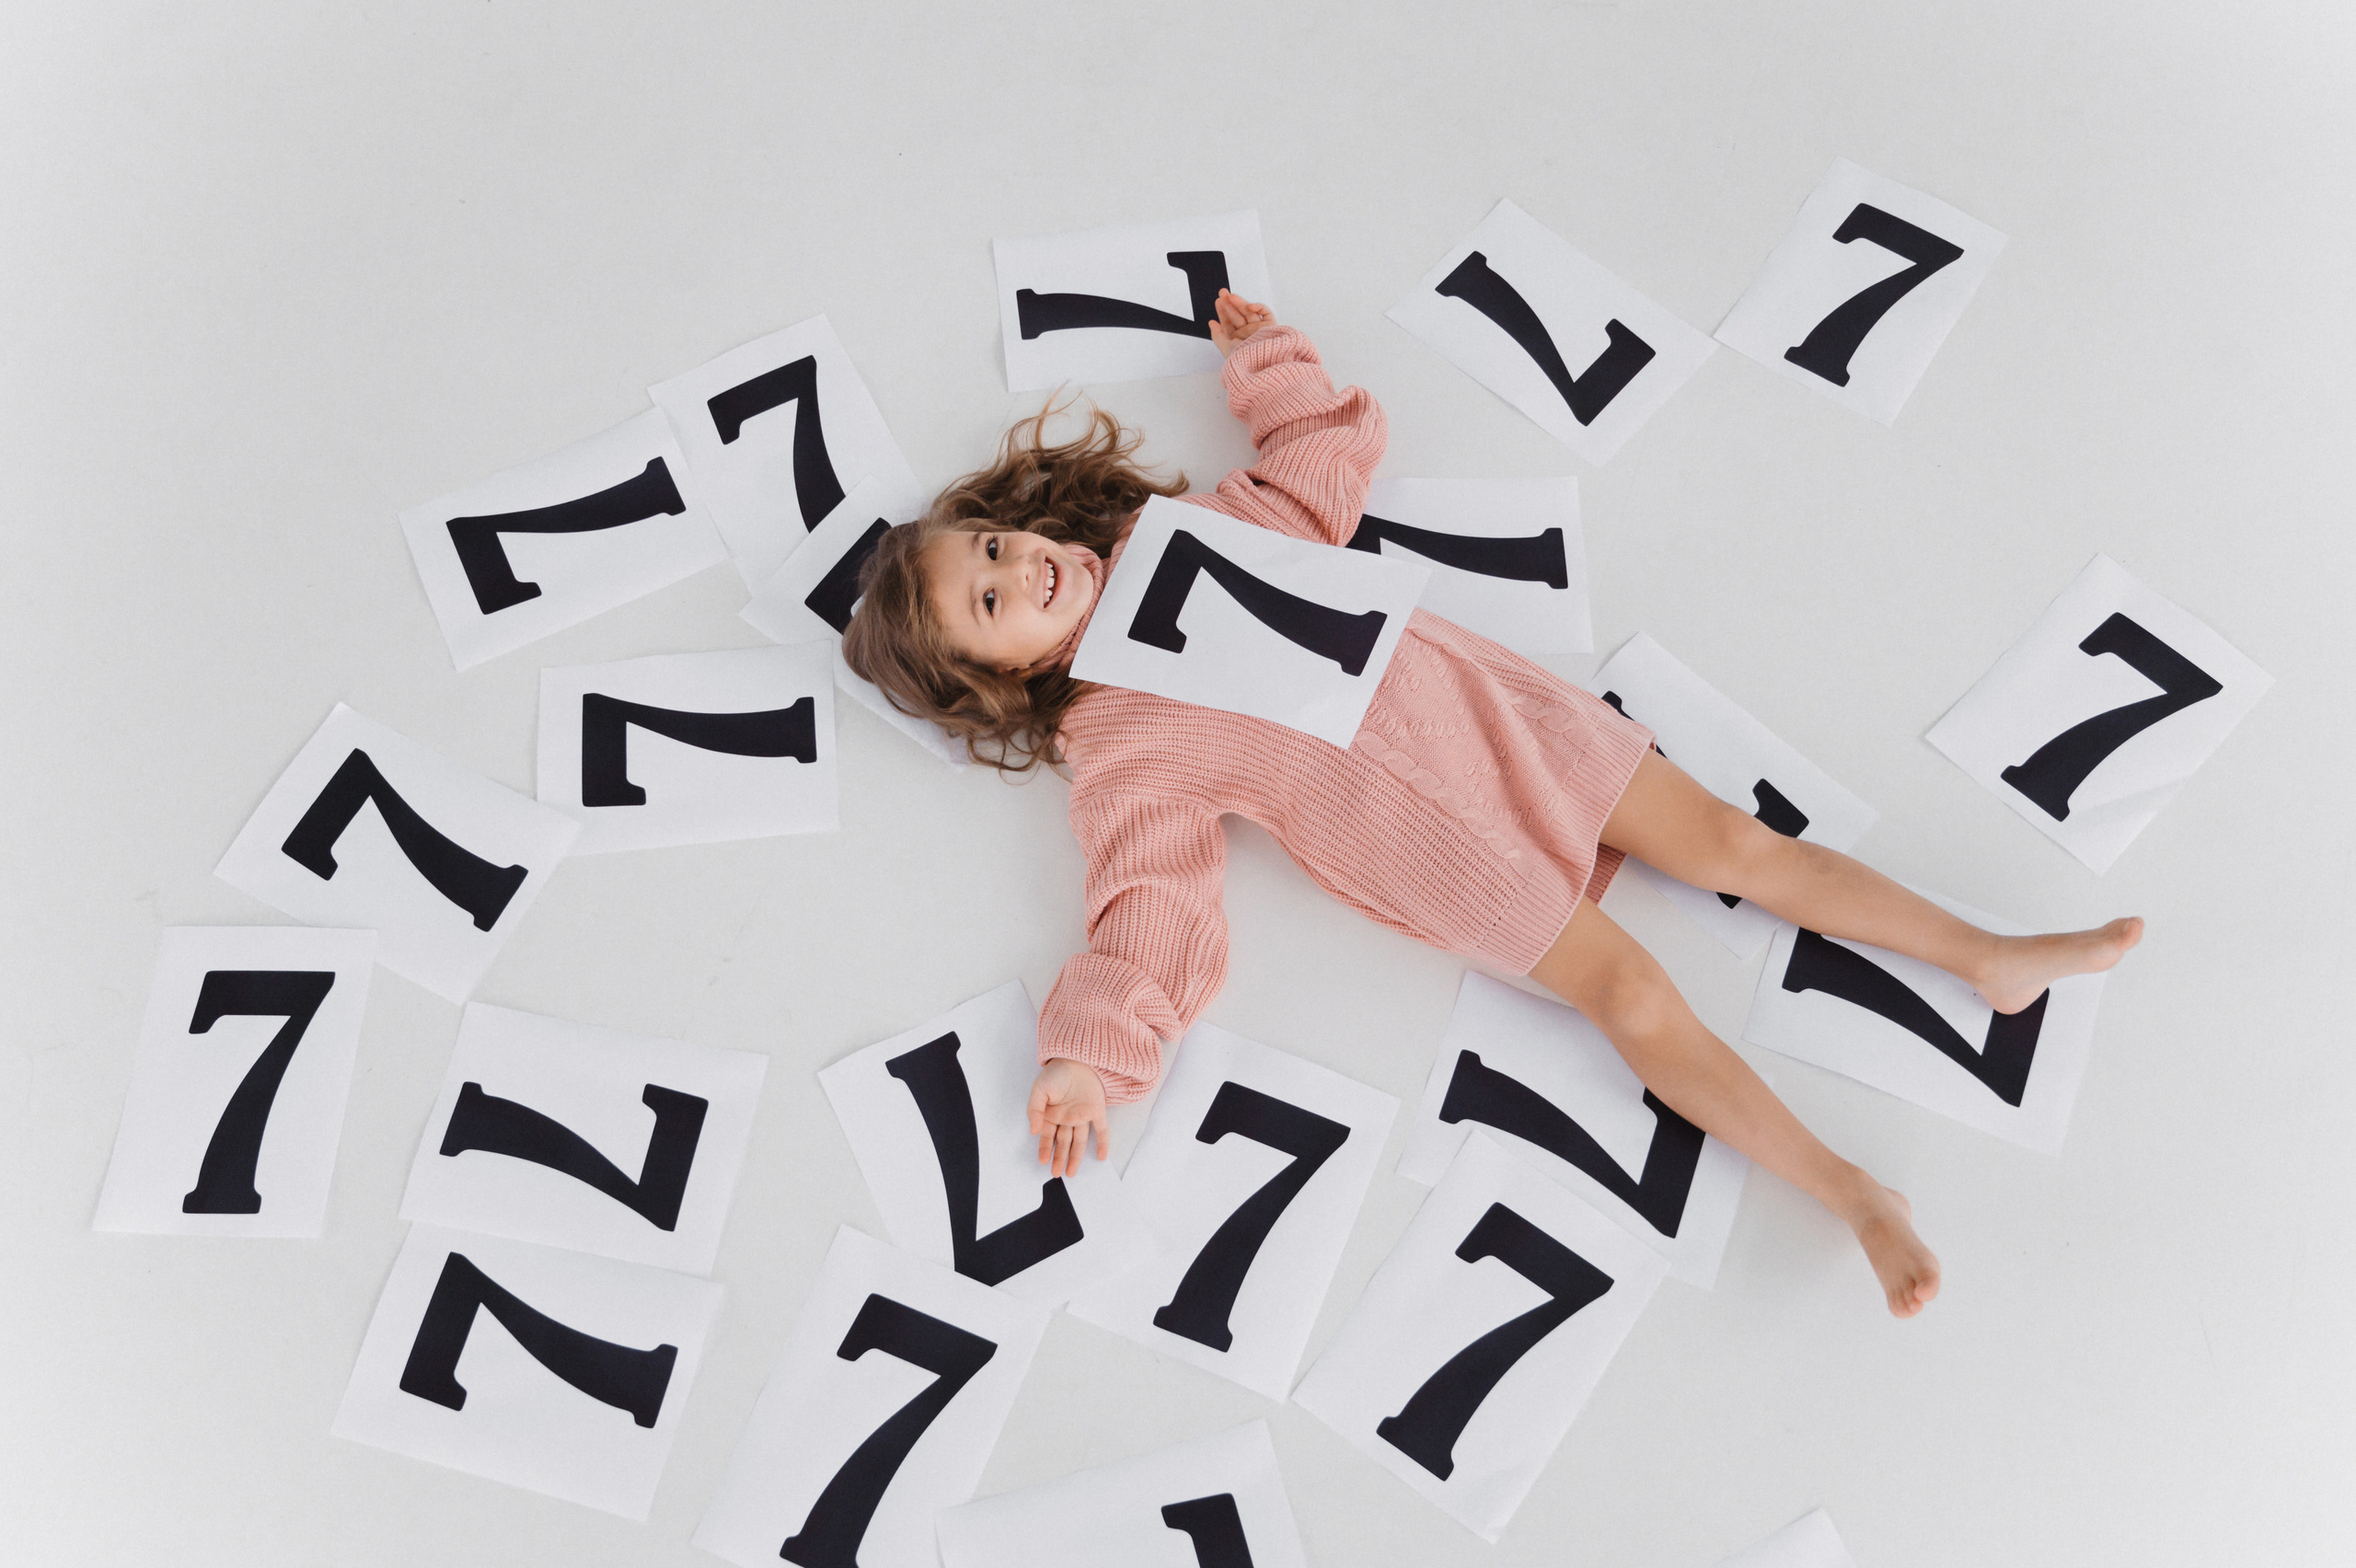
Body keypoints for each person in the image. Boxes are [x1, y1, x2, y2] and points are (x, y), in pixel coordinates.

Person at [842, 290, 2141, 1317]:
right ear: (1000, 677)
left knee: (1743, 847)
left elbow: (1321, 459)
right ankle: (1853, 1193)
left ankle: (1989, 955)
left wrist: (1271, 360)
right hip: (1431, 850)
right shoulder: (1122, 743)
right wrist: (1091, 1053)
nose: (1026, 569)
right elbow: (1150, 903)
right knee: (1634, 999)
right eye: (996, 602)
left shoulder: (1192, 537)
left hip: (1512, 728)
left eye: (998, 547)